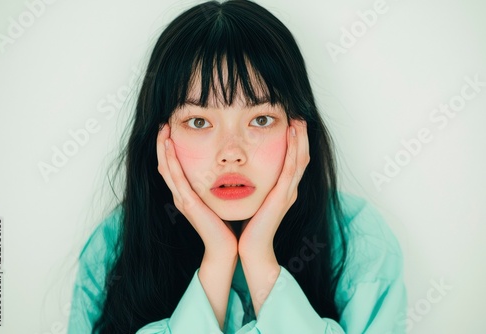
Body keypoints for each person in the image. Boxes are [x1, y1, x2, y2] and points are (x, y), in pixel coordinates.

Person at [68, 0, 407, 333]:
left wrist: (259, 257)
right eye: (199, 122)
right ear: (160, 136)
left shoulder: (360, 240)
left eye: (261, 119)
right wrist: (218, 259)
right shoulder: (114, 246)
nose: (231, 154)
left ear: (299, 130)